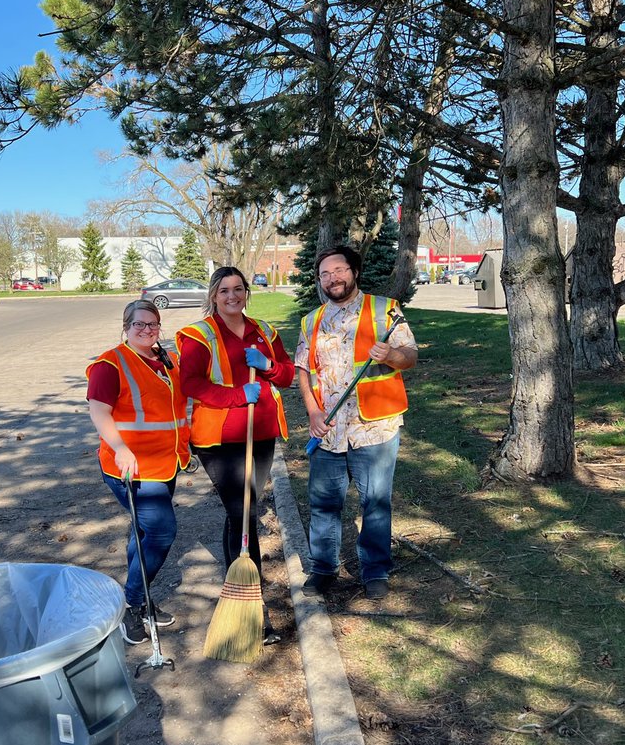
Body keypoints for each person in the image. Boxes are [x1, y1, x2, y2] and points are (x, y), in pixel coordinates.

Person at [177, 266, 294, 638]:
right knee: (243, 511)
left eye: (238, 289)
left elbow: (288, 374)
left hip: (259, 433)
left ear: (247, 291)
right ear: (214, 295)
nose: (232, 296)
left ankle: (241, 589)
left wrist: (269, 367)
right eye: (224, 290)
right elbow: (190, 382)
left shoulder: (265, 331)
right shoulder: (199, 334)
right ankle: (252, 605)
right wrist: (235, 396)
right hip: (219, 438)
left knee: (244, 510)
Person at [295, 245, 418, 601]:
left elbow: (410, 357)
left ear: (354, 271)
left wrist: (392, 355)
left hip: (374, 428)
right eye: (325, 274)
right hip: (329, 430)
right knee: (323, 504)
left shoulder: (384, 310)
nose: (333, 278)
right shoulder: (311, 320)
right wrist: (313, 412)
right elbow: (304, 370)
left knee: (376, 503)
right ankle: (323, 569)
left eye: (339, 270)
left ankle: (375, 570)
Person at [86, 299, 190, 645]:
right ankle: (131, 602)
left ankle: (140, 599)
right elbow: (100, 413)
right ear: (126, 327)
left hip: (165, 464)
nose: (147, 330)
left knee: (143, 532)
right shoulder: (110, 364)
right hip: (130, 467)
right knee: (161, 532)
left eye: (153, 324)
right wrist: (120, 447)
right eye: (139, 324)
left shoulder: (165, 359)